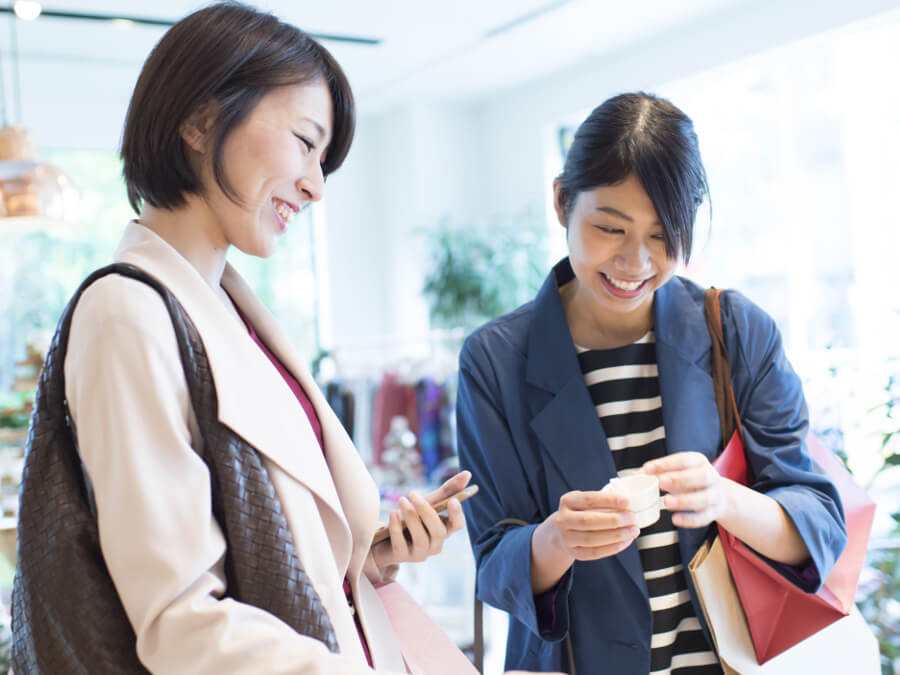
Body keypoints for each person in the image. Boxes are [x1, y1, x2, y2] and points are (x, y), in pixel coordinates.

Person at [12, 3, 478, 673]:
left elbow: (260, 559)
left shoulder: (225, 307)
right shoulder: (127, 312)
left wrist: (367, 554)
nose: (316, 185)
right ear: (202, 120)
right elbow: (182, 623)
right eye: (305, 142)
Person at [456, 92, 847, 675]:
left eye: (664, 236)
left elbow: (817, 523)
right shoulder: (495, 361)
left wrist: (723, 498)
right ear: (562, 202)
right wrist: (559, 539)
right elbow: (493, 563)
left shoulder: (735, 331)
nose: (635, 263)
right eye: (610, 228)